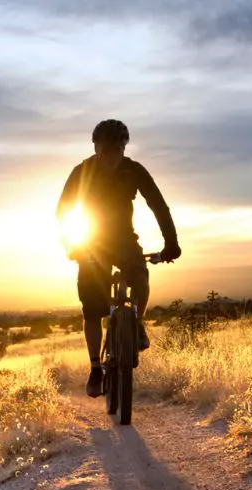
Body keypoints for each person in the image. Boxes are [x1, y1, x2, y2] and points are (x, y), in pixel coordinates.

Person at [56, 118, 181, 398]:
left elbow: (158, 206)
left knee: (140, 277)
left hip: (124, 241)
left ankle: (135, 325)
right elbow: (63, 210)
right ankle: (95, 368)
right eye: (105, 149)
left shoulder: (134, 171)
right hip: (91, 244)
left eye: (117, 150)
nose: (111, 156)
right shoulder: (82, 171)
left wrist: (171, 243)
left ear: (124, 148)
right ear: (96, 148)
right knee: (91, 308)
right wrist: (70, 244)